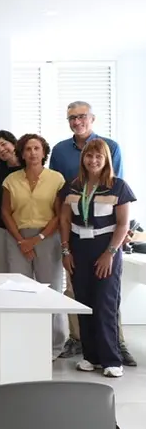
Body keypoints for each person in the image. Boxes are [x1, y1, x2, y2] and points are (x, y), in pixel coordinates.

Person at [49, 100, 134, 366]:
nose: (93, 159)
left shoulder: (117, 181)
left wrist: (112, 251)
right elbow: (63, 214)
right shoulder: (71, 180)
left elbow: (121, 219)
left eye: (98, 156)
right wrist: (65, 249)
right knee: (83, 301)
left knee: (106, 302)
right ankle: (91, 355)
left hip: (105, 245)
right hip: (77, 246)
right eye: (88, 156)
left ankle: (112, 358)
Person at [1, 133, 68, 359]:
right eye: (28, 149)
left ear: (43, 152)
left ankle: (54, 345)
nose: (32, 153)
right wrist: (21, 240)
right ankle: (23, 342)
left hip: (48, 237)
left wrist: (36, 239)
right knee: (20, 292)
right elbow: (5, 212)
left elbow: (60, 215)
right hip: (17, 238)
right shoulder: (11, 180)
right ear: (21, 153)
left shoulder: (56, 178)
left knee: (51, 291)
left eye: (36, 148)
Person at [0, 130, 23, 273]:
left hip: (23, 226)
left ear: (13, 143)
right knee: (1, 268)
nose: (1, 149)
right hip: (0, 226)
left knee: (21, 269)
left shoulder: (29, 168)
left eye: (3, 144)